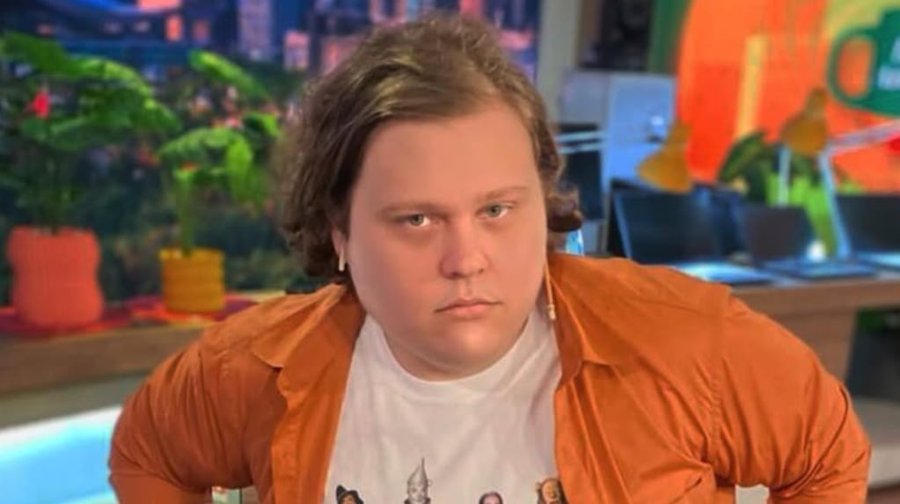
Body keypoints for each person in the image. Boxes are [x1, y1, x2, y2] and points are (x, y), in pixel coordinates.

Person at [108, 13, 871, 503]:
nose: (466, 259)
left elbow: (826, 453)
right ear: (339, 233)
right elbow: (149, 455)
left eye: (498, 211)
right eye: (416, 220)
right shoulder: (254, 366)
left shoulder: (685, 341)